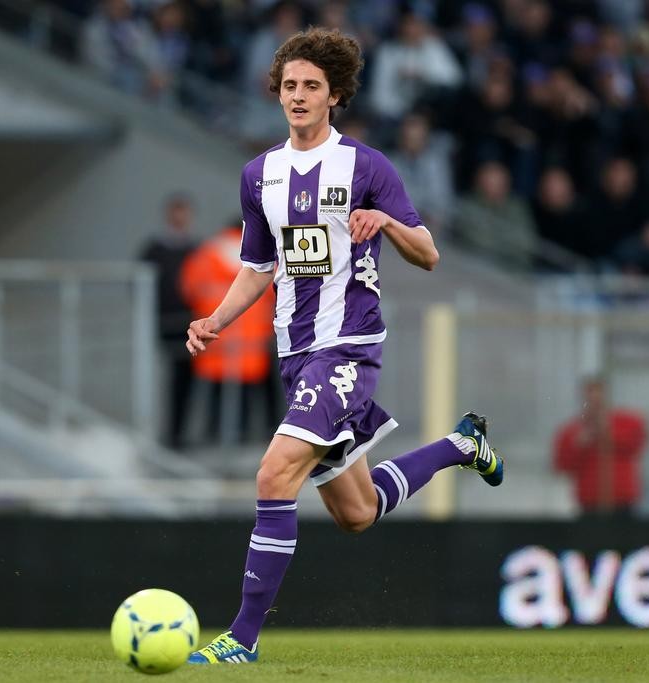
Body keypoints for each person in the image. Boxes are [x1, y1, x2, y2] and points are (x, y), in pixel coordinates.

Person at [184, 27, 503, 665]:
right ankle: (461, 445)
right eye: (290, 85)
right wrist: (216, 319)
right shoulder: (259, 176)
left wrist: (385, 221)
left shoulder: (365, 166)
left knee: (274, 474)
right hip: (295, 355)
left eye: (312, 86)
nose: (299, 96)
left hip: (348, 348)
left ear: (335, 96)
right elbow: (259, 266)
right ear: (278, 93)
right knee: (357, 512)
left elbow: (429, 253)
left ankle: (241, 639)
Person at [179, 223, 276, 444]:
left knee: (215, 394)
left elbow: (188, 289)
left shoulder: (205, 254)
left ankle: (214, 437)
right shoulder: (264, 253)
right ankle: (249, 436)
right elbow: (278, 290)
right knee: (251, 395)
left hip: (214, 339)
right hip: (253, 341)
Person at [139, 194, 198, 449]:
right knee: (159, 378)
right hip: (163, 325)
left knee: (186, 380)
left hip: (192, 327)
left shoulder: (197, 250)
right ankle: (162, 434)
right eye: (176, 213)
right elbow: (140, 286)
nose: (180, 219)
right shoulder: (154, 250)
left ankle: (178, 434)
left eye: (184, 213)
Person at [552, 376, 646, 519]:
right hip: (589, 503)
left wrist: (608, 433)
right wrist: (579, 445)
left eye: (598, 394)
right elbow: (561, 464)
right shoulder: (572, 430)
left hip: (623, 502)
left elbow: (636, 445)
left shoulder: (627, 421)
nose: (595, 400)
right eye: (590, 395)